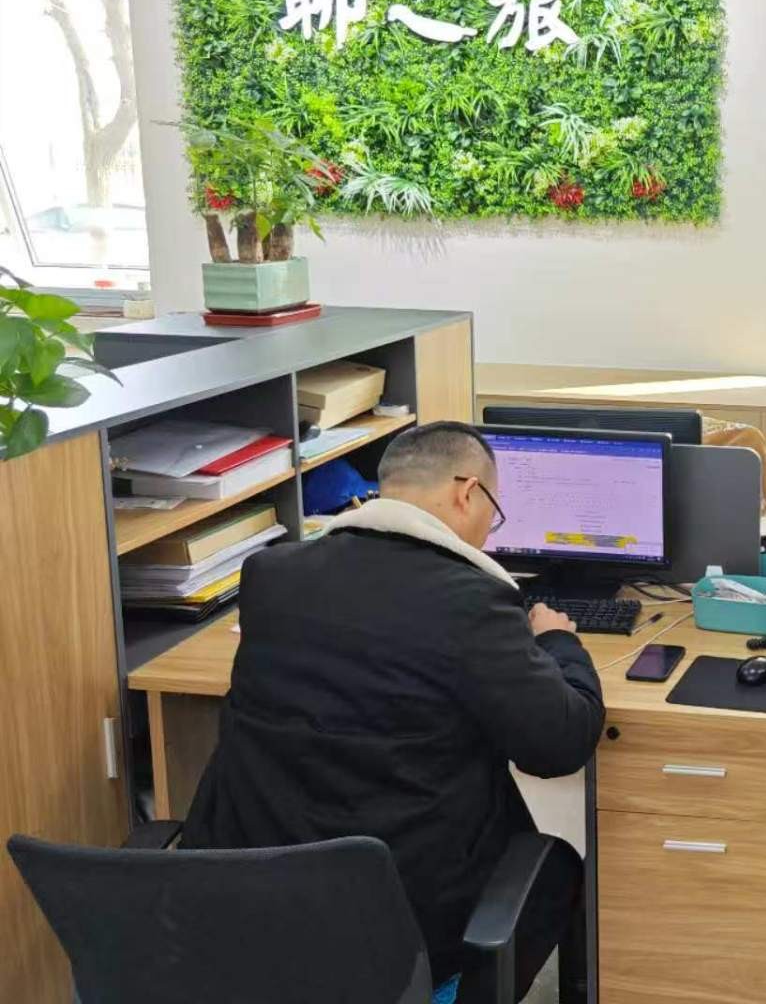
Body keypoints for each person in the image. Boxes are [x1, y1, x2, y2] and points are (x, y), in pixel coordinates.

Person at [186, 421, 606, 1001]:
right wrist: (558, 642)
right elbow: (560, 743)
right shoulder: (471, 601)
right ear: (467, 492)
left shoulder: (271, 575)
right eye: (494, 513)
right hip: (406, 928)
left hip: (256, 907)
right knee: (556, 869)